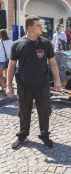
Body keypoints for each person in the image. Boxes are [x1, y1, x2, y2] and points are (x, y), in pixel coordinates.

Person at [6, 15, 62, 150]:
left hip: (42, 85)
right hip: (24, 86)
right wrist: (8, 85)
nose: (40, 28)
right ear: (29, 27)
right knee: (24, 112)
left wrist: (57, 80)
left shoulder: (46, 43)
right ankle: (23, 135)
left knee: (44, 112)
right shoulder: (17, 44)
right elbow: (11, 65)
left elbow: (53, 62)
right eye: (38, 25)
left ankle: (44, 135)